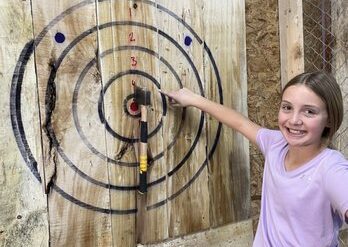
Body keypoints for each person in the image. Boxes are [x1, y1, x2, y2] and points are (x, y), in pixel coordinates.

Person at [160, 71, 348, 247]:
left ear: (330, 119)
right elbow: (240, 122)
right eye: (287, 107)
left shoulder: (331, 167)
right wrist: (192, 98)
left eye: (309, 112)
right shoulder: (276, 144)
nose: (294, 120)